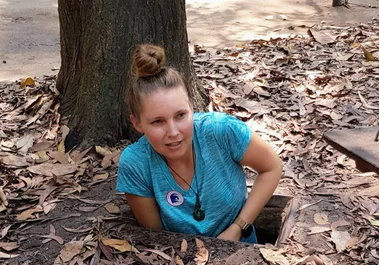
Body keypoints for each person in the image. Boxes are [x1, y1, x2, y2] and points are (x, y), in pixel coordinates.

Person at [116, 44, 283, 243]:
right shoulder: (135, 164)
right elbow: (157, 238)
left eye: (180, 115)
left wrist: (239, 227)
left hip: (244, 249)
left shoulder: (222, 131)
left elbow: (272, 167)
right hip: (179, 262)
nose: (173, 132)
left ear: (192, 107)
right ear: (137, 123)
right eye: (157, 121)